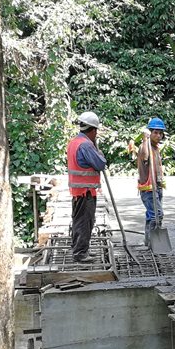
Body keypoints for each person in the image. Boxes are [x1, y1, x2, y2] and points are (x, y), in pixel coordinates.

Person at [66, 111, 108, 263]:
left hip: (78, 191)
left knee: (79, 220)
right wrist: (100, 154)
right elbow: (100, 164)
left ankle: (79, 249)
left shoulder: (74, 142)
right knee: (85, 221)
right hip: (86, 191)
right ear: (94, 130)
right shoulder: (86, 145)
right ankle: (81, 253)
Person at [130, 117, 167, 248]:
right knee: (157, 215)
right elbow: (145, 158)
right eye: (155, 132)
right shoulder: (144, 146)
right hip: (148, 189)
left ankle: (149, 241)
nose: (158, 135)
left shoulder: (156, 148)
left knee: (151, 215)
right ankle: (154, 242)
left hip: (156, 187)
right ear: (149, 133)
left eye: (160, 133)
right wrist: (145, 139)